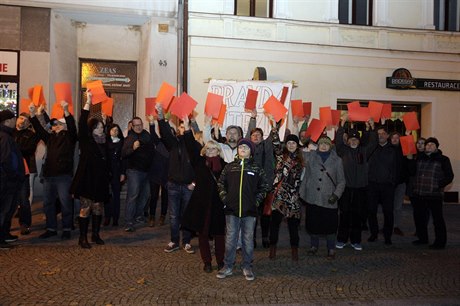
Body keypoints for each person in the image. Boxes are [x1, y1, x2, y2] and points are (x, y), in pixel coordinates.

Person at [216, 138, 269, 281]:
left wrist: (256, 201)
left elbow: (264, 186)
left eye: (246, 147)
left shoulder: (256, 168)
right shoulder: (229, 167)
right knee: (230, 239)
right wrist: (225, 199)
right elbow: (221, 184)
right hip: (232, 210)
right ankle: (228, 266)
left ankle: (247, 266)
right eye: (241, 147)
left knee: (247, 239)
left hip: (249, 211)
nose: (243, 149)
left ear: (251, 151)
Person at [181, 116, 227, 272]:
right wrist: (187, 129)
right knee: (203, 233)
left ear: (218, 151)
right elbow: (190, 146)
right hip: (202, 204)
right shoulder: (200, 162)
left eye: (214, 149)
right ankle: (207, 261)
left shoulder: (224, 166)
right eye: (208, 149)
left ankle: (221, 261)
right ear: (205, 150)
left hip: (218, 204)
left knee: (219, 234)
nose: (211, 151)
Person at [30, 101, 77, 240]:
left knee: (65, 203)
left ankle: (67, 228)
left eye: (57, 124)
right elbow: (39, 129)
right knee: (48, 203)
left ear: (64, 126)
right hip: (49, 175)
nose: (54, 126)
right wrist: (33, 114)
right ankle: (51, 228)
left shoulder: (70, 137)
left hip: (63, 176)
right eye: (54, 124)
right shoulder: (49, 137)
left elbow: (73, 127)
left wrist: (66, 110)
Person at [70, 92, 111, 248]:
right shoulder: (86, 141)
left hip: (100, 180)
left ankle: (95, 234)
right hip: (87, 179)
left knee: (98, 208)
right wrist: (88, 102)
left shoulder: (103, 141)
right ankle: (82, 238)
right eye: (99, 127)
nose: (101, 129)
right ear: (92, 129)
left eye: (102, 127)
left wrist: (105, 121)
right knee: (85, 207)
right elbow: (81, 123)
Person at [156, 105, 196, 254]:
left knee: (187, 215)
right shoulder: (174, 143)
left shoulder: (194, 145)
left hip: (188, 186)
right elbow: (165, 133)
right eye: (180, 127)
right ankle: (174, 241)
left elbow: (200, 166)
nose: (182, 128)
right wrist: (160, 116)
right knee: (173, 216)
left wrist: (194, 183)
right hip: (173, 185)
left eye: (185, 126)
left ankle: (186, 241)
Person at [300, 136, 346, 259]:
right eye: (321, 144)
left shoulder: (337, 160)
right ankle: (314, 246)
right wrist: (306, 139)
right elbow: (297, 152)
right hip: (313, 197)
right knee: (313, 224)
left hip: (329, 198)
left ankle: (331, 248)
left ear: (330, 146)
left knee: (330, 225)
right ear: (318, 145)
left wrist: (336, 195)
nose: (324, 146)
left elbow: (341, 181)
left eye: (326, 144)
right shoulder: (310, 157)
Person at [335, 117, 376, 251]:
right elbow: (338, 142)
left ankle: (356, 241)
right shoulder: (343, 151)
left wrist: (371, 128)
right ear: (348, 141)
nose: (353, 141)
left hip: (361, 189)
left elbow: (373, 143)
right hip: (346, 189)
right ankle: (341, 239)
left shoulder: (364, 152)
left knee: (358, 216)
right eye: (351, 139)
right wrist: (341, 125)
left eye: (356, 139)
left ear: (359, 141)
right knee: (344, 214)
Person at [410, 137, 454, 249]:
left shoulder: (443, 159)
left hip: (434, 195)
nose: (429, 146)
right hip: (419, 193)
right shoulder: (420, 158)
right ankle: (422, 238)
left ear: (436, 147)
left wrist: (437, 185)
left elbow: (449, 176)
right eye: (428, 144)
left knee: (437, 219)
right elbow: (412, 173)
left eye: (432, 145)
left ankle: (440, 242)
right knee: (420, 218)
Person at [267, 128, 304, 261]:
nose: (291, 145)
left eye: (293, 143)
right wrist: (275, 129)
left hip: (293, 198)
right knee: (274, 225)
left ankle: (295, 250)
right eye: (289, 143)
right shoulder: (280, 157)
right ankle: (272, 249)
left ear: (297, 145)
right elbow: (276, 143)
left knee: (293, 227)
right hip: (279, 196)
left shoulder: (301, 160)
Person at [245, 111, 275, 248]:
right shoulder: (246, 149)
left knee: (266, 215)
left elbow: (273, 136)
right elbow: (246, 135)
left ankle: (265, 237)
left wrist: (273, 124)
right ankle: (252, 238)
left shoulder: (267, 147)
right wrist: (253, 118)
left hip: (265, 187)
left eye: (258, 135)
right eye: (253, 135)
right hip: (251, 188)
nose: (255, 136)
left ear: (263, 138)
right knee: (252, 216)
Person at [367, 126, 399, 245]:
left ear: (387, 136)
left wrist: (392, 182)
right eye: (378, 134)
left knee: (388, 212)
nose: (380, 135)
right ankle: (373, 233)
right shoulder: (371, 148)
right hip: (372, 184)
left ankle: (387, 235)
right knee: (371, 211)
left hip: (387, 186)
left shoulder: (393, 150)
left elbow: (397, 168)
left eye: (383, 133)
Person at [122, 116, 154, 232]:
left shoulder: (147, 135)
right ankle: (128, 221)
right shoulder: (130, 138)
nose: (139, 127)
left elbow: (152, 149)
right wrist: (133, 148)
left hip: (147, 171)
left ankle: (138, 215)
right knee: (133, 196)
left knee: (146, 194)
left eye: (140, 124)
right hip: (134, 171)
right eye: (136, 125)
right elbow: (124, 153)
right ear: (132, 126)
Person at [0, 110, 25, 249]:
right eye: (14, 118)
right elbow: (7, 160)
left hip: (8, 180)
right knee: (5, 209)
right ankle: (1, 238)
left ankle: (5, 233)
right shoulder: (5, 137)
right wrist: (15, 175)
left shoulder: (7, 135)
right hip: (8, 181)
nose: (16, 121)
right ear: (8, 121)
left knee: (8, 209)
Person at [13, 112, 40, 235]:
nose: (22, 120)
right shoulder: (9, 133)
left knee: (24, 199)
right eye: (20, 117)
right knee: (8, 200)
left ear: (28, 123)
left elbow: (29, 150)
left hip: (23, 170)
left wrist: (13, 148)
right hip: (8, 171)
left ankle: (25, 224)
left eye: (25, 119)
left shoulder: (31, 135)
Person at [146, 116, 169, 228]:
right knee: (154, 196)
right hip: (155, 174)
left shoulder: (173, 145)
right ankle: (152, 216)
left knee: (165, 197)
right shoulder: (158, 142)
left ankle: (163, 216)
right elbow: (153, 134)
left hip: (167, 175)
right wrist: (151, 123)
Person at [103, 123, 125, 226]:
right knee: (107, 196)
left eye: (116, 130)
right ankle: (107, 217)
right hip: (107, 171)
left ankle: (115, 218)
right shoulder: (105, 142)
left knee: (116, 196)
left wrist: (123, 173)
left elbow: (124, 160)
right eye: (112, 130)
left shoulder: (122, 142)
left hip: (117, 171)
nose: (115, 132)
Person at [389, 132, 408, 236]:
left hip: (400, 182)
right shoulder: (387, 150)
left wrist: (407, 135)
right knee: (388, 206)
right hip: (389, 183)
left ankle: (396, 226)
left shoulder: (404, 151)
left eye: (397, 138)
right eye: (393, 138)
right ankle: (388, 225)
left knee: (398, 206)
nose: (395, 139)